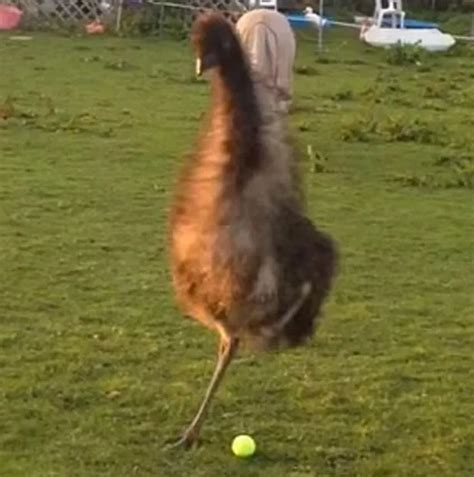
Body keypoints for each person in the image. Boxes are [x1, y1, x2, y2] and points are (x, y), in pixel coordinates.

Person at [236, 8, 296, 120]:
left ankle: (258, 103)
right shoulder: (281, 22)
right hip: (278, 26)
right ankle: (274, 103)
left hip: (248, 22)